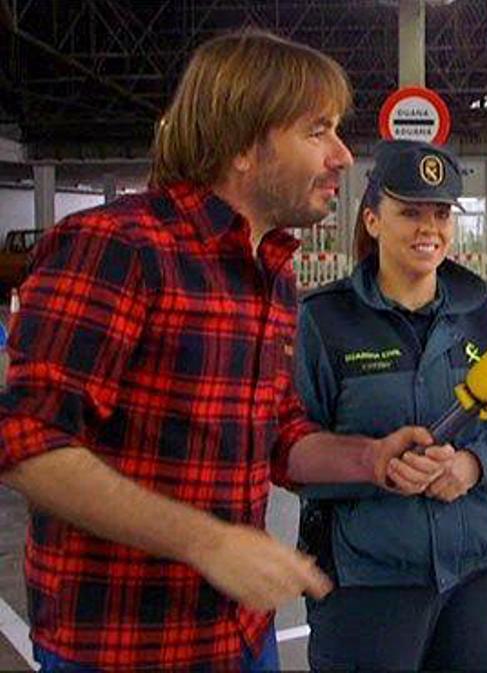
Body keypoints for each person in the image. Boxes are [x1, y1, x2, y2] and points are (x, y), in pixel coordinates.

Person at [0, 30, 432, 670]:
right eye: (318, 131)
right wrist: (207, 544)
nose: (344, 155)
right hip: (125, 648)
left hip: (239, 635)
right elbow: (27, 442)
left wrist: (368, 458)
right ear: (243, 145)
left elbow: (278, 432)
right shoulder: (119, 245)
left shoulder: (272, 268)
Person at [291, 139, 487, 671]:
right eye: (409, 212)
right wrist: (373, 463)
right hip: (368, 583)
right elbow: (288, 447)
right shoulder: (324, 321)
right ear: (372, 220)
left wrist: (474, 464)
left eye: (440, 213)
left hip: (478, 577)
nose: (428, 228)